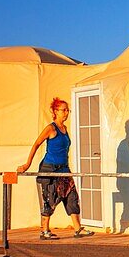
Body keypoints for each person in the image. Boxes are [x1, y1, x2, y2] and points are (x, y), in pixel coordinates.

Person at [16, 98, 93, 239]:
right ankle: (44, 230)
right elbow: (36, 144)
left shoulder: (65, 129)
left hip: (64, 169)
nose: (66, 113)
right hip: (49, 168)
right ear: (55, 112)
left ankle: (78, 228)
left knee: (71, 196)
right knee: (49, 198)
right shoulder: (51, 128)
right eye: (63, 110)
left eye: (67, 110)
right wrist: (27, 164)